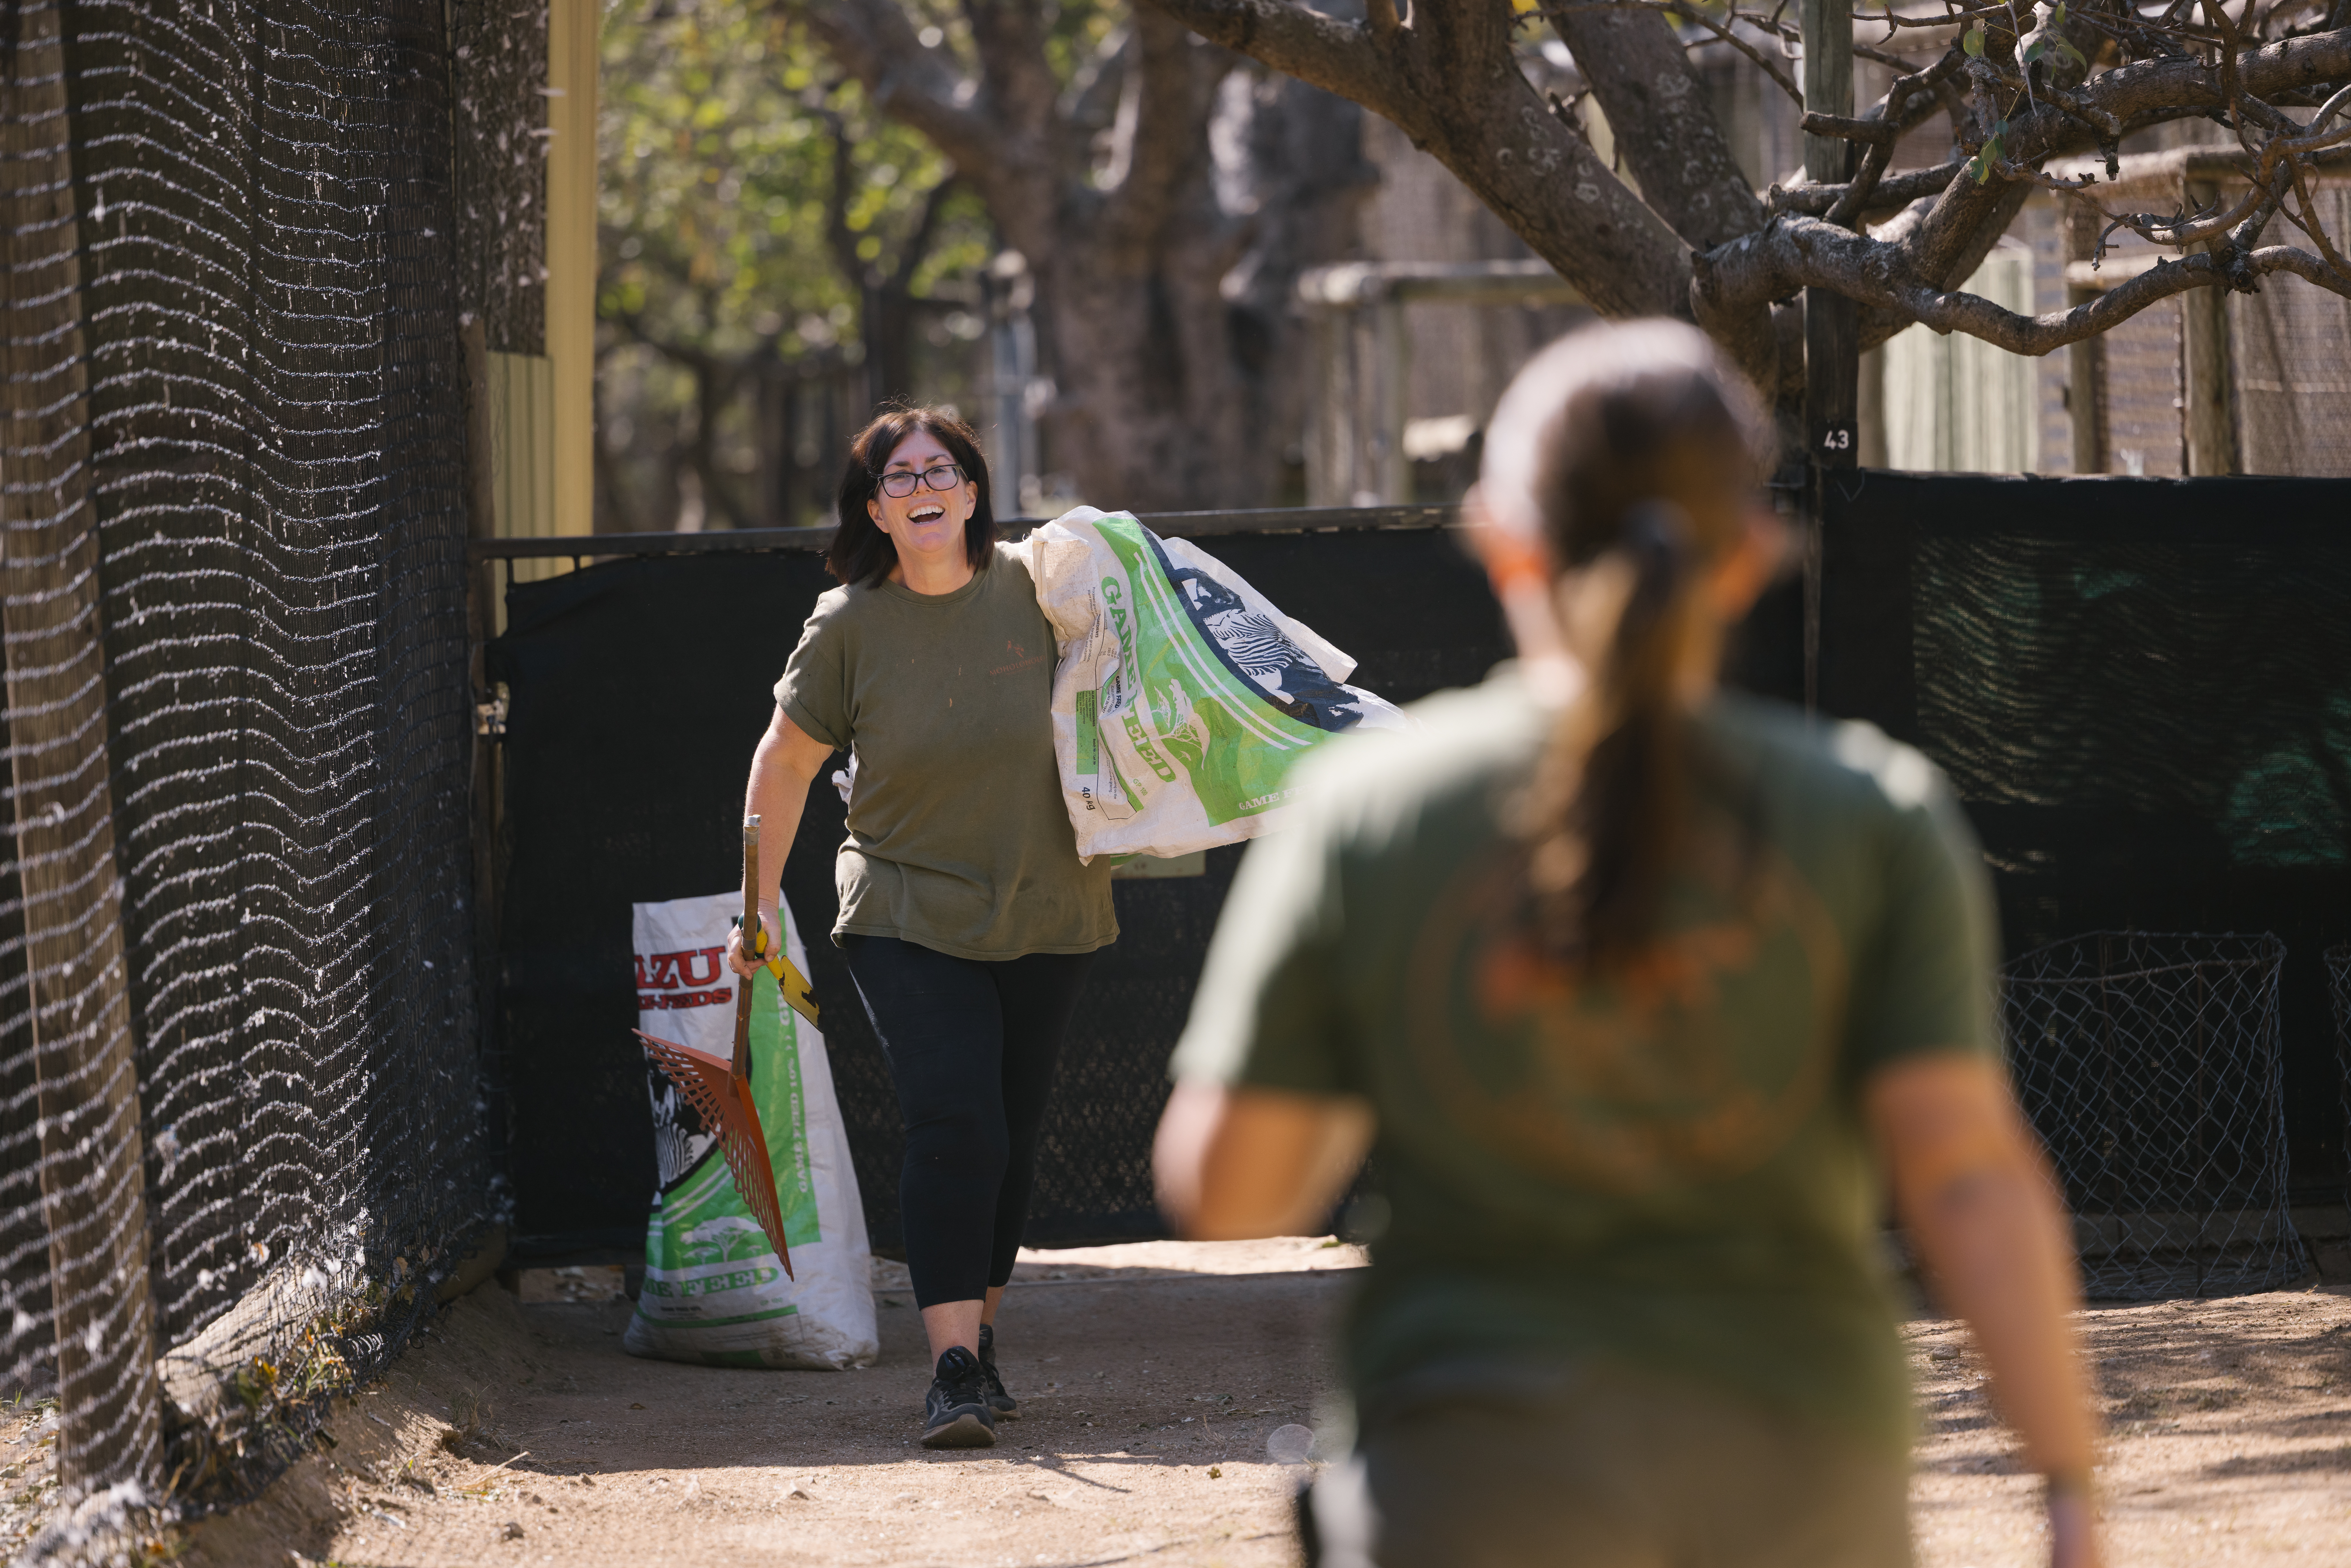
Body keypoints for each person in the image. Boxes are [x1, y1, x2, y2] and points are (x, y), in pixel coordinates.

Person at [1153, 321, 2102, 1567]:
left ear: (1499, 538)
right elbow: (1966, 1178)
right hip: (1802, 1478)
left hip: (1466, 1491)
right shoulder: (1872, 813)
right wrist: (2066, 1490)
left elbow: (1230, 1191)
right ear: (1751, 548)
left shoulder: (1365, 808)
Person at [726, 406, 1116, 1449]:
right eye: (899, 478)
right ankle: (948, 1370)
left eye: (941, 469)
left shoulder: (1046, 593)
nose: (923, 486)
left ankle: (981, 1343)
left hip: (1049, 900)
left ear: (975, 493)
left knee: (1014, 1137)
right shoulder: (848, 626)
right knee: (958, 1123)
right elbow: (787, 764)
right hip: (906, 905)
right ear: (875, 510)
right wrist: (758, 906)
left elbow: (1145, 684)